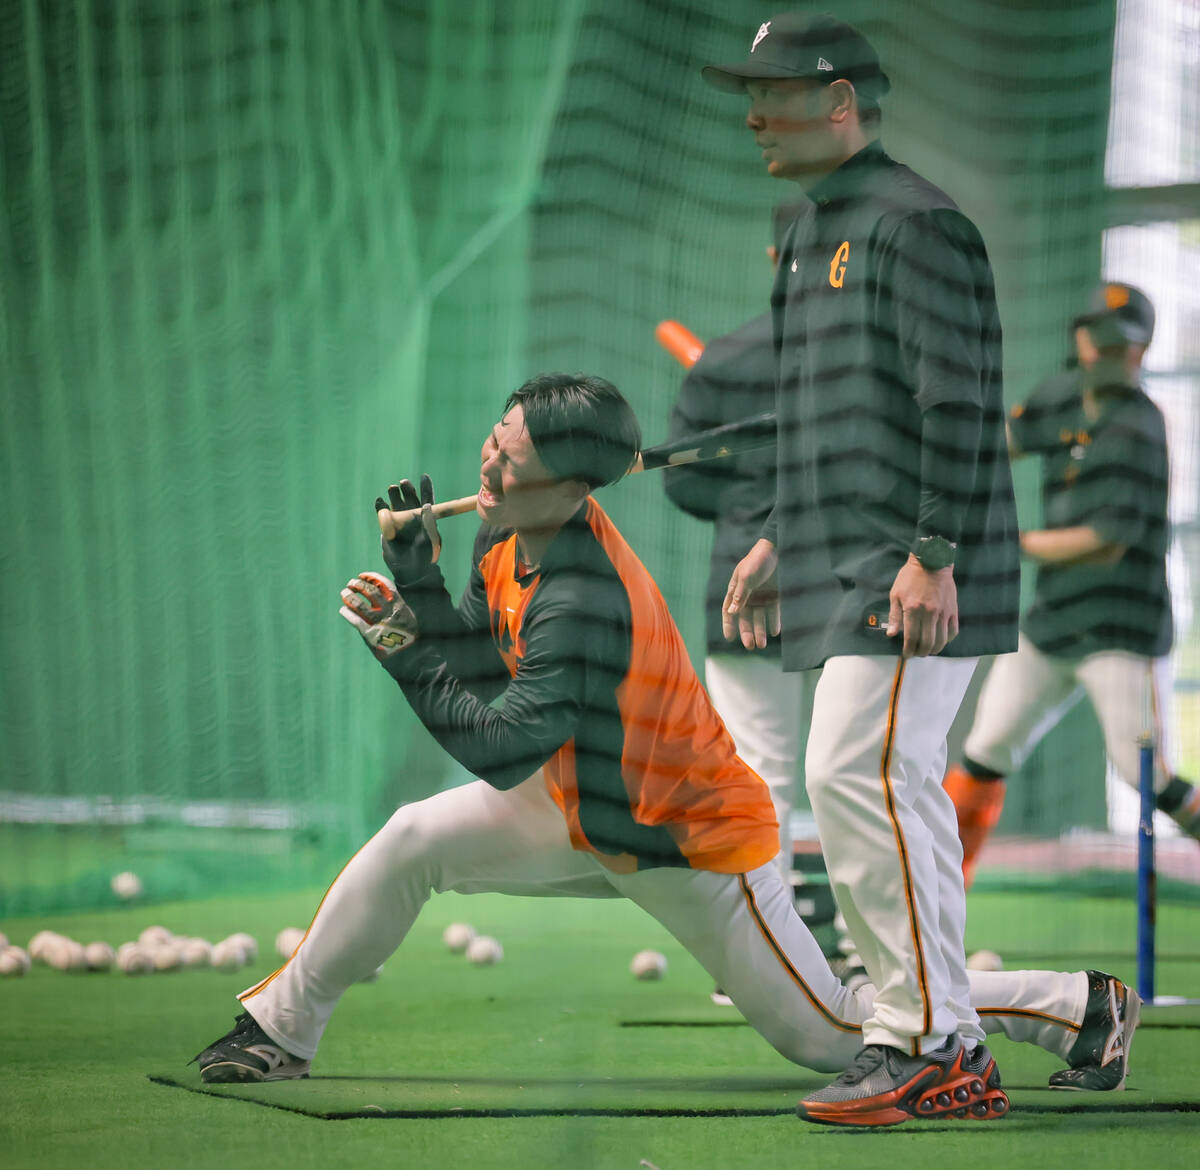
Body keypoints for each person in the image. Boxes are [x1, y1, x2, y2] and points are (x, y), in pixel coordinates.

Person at [192, 375, 1133, 1118]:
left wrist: (402, 645)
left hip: (688, 837)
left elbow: (501, 746)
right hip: (584, 804)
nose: (488, 466)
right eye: (495, 439)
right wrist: (420, 585)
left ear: (571, 485)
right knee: (411, 840)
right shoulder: (506, 534)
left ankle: (1079, 1007)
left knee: (837, 1032)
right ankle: (280, 1028)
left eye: (511, 460)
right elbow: (484, 666)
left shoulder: (583, 596)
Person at [704, 13, 1025, 1124]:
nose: (752, 114)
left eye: (776, 95)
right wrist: (780, 537)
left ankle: (928, 1039)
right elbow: (815, 412)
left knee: (856, 774)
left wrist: (935, 552)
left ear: (840, 101)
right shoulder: (804, 227)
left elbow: (960, 401)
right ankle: (947, 1039)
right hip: (847, 558)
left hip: (916, 566)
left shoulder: (917, 223)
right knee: (881, 786)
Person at [661, 203, 868, 996]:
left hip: (748, 584)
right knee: (853, 776)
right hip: (852, 583)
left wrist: (751, 514)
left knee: (761, 778)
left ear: (772, 251)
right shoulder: (864, 356)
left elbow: (682, 478)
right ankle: (868, 956)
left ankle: (758, 963)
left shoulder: (727, 357)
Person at [945, 283, 1200, 885]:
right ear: (1081, 339)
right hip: (1052, 623)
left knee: (1146, 776)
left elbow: (1102, 542)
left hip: (1122, 633)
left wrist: (1008, 544)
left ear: (1141, 350)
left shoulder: (1141, 427)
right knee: (985, 753)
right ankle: (937, 907)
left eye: (1123, 346)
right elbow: (994, 448)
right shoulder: (1058, 396)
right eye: (1100, 341)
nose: (1108, 355)